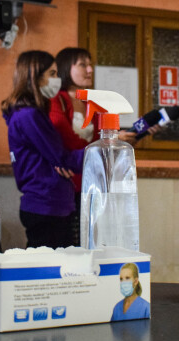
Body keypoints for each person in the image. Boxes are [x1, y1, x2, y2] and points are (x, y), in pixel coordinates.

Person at [48, 47, 153, 245]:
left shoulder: (93, 101)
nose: (90, 70)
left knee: (93, 239)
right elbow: (66, 139)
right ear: (66, 67)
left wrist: (127, 137)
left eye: (90, 65)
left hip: (94, 181)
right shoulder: (56, 100)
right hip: (65, 182)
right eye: (82, 65)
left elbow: (101, 138)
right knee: (67, 242)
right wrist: (102, 143)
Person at [2, 50, 85, 249]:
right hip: (46, 205)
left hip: (54, 204)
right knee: (49, 266)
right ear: (35, 77)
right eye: (52, 74)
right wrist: (102, 150)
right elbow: (61, 157)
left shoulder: (34, 114)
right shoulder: (28, 116)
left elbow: (55, 156)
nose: (57, 79)